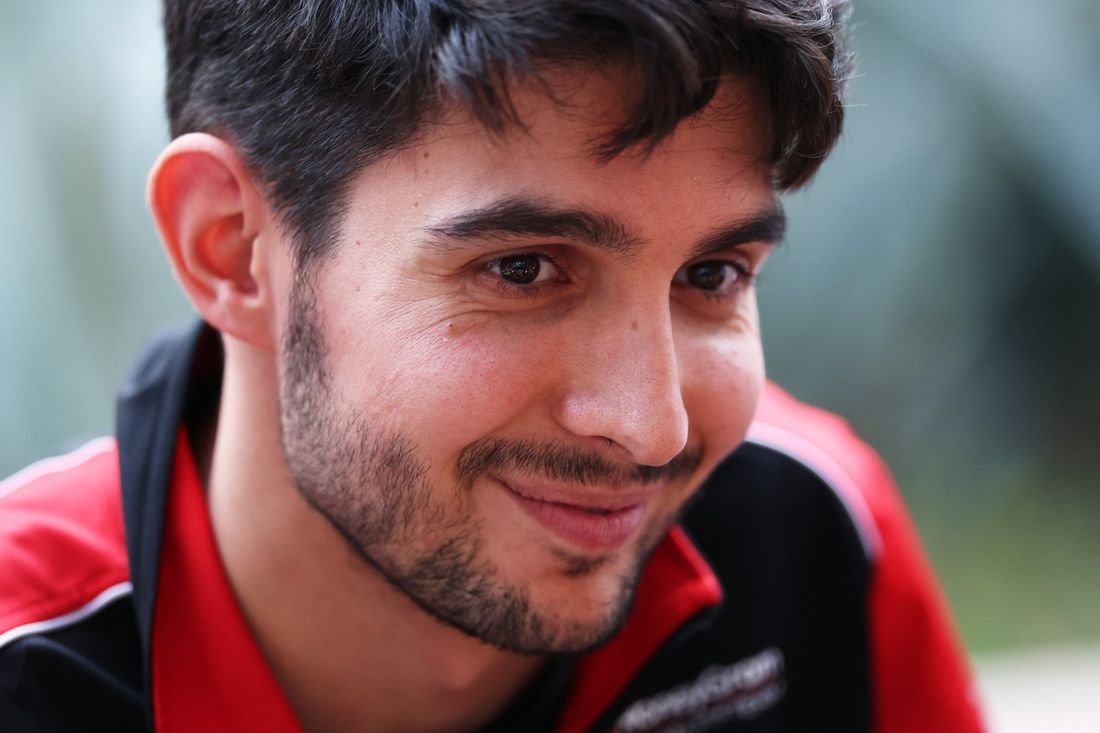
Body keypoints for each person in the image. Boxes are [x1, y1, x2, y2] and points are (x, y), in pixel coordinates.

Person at [0, 1, 986, 731]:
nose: (652, 428)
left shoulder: (812, 531)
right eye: (523, 269)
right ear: (229, 247)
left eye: (712, 274)